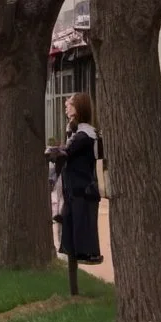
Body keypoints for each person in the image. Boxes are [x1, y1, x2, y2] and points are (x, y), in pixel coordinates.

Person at [50, 93, 102, 264]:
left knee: (80, 223)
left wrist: (53, 151)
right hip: (75, 188)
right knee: (70, 219)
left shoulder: (85, 135)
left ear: (79, 108)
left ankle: (84, 253)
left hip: (81, 187)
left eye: (70, 104)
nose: (66, 106)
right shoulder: (78, 132)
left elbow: (68, 152)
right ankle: (73, 252)